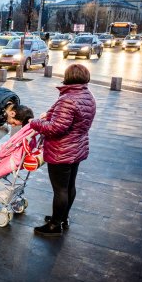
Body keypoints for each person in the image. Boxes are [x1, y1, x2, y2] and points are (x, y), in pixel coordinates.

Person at [30, 64, 96, 237]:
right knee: (69, 186)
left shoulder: (68, 98)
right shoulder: (87, 95)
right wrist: (51, 114)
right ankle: (62, 218)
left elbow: (55, 128)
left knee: (60, 189)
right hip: (77, 148)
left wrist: (34, 123)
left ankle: (54, 225)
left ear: (68, 77)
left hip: (61, 151)